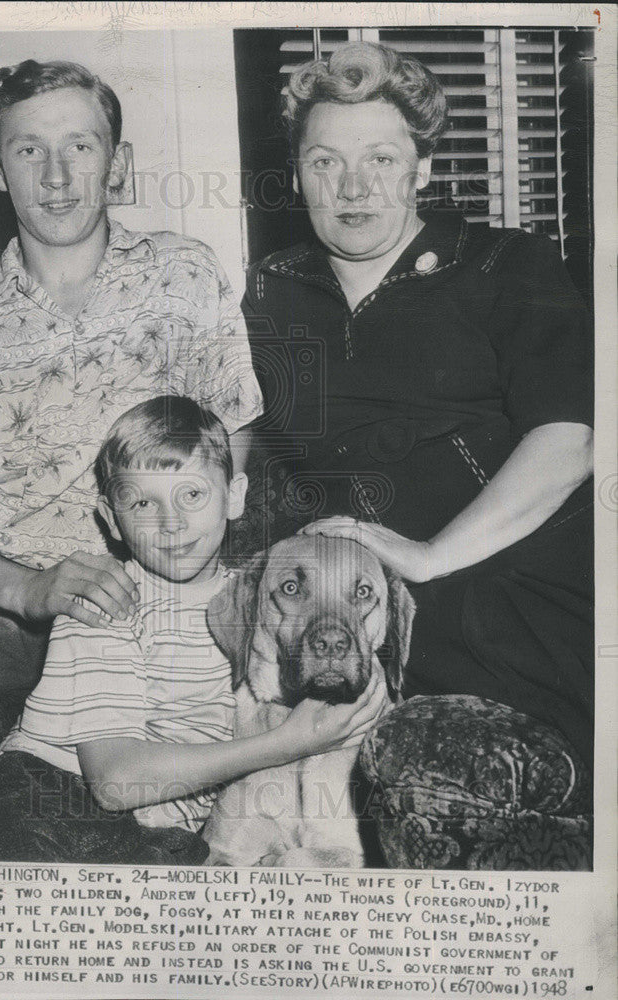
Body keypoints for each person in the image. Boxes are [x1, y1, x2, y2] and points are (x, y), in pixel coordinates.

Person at [242, 42, 594, 767]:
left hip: (499, 595)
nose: (352, 186)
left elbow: (569, 440)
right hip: (345, 613)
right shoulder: (272, 291)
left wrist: (430, 558)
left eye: (380, 159)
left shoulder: (504, 262)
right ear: (297, 175)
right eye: (323, 162)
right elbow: (232, 445)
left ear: (422, 168)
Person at [0, 60, 262, 693]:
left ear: (117, 164)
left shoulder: (184, 276)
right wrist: (22, 589)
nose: (57, 177)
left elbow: (229, 439)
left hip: (140, 600)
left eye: (80, 146)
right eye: (29, 150)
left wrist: (171, 572)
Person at [0, 396, 384, 862]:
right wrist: (283, 745)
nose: (172, 524)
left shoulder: (259, 599)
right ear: (111, 519)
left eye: (192, 495)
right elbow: (114, 781)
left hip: (164, 830)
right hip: (48, 795)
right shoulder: (105, 596)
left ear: (234, 495)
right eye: (145, 502)